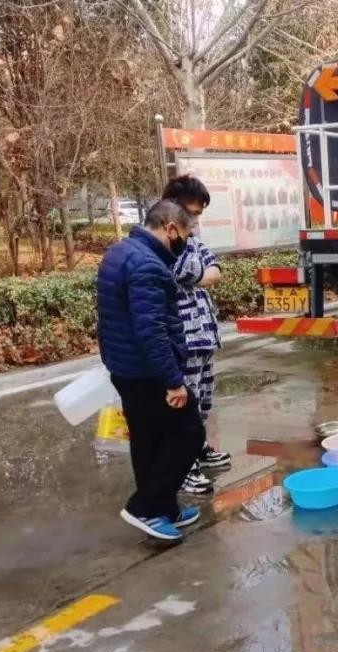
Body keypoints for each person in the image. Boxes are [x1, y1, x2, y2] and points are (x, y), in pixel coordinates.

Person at [97, 201, 205, 542]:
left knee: (149, 439)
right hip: (148, 372)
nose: (184, 242)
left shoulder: (120, 252)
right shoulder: (148, 266)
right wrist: (174, 381)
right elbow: (152, 330)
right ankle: (144, 506)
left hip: (124, 366)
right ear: (170, 228)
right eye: (185, 234)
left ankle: (164, 509)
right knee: (190, 434)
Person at [162, 175, 232, 495]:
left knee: (202, 401)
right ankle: (182, 464)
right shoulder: (163, 240)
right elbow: (187, 271)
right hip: (181, 339)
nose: (195, 221)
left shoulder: (192, 239)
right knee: (183, 405)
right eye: (192, 212)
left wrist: (204, 274)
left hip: (203, 335)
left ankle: (198, 448)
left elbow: (214, 271)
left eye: (199, 214)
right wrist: (202, 273)